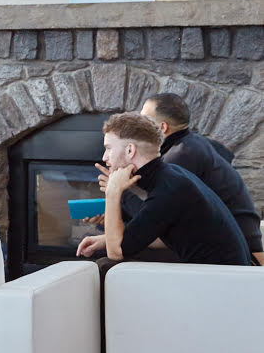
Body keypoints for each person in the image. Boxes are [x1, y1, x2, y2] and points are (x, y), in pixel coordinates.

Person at [76, 113, 250, 266]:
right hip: (219, 274)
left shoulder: (169, 189)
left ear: (130, 150)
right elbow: (160, 236)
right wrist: (105, 239)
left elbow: (116, 252)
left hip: (222, 281)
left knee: (106, 266)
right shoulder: (171, 176)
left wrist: (113, 192)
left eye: (108, 148)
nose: (104, 157)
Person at [138, 93, 262, 266]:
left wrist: (120, 195)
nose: (138, 125)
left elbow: (156, 222)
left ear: (162, 127)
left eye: (143, 120)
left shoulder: (180, 156)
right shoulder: (190, 144)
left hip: (239, 259)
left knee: (109, 258)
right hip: (230, 249)